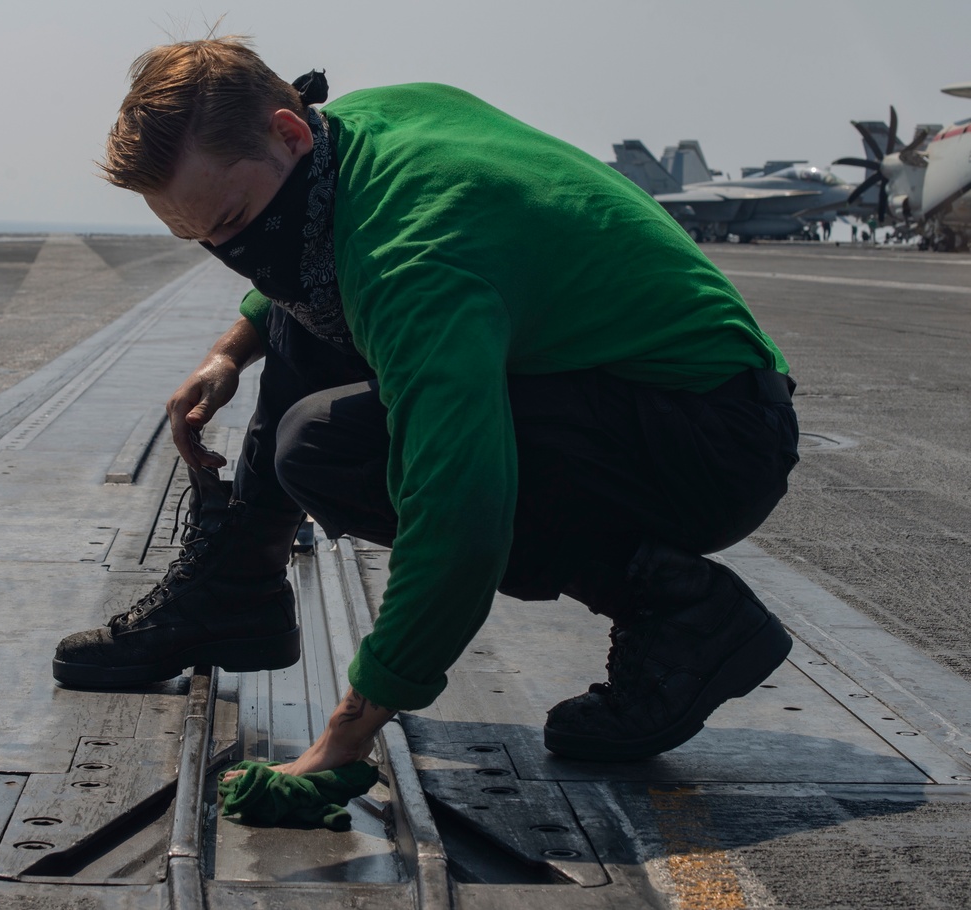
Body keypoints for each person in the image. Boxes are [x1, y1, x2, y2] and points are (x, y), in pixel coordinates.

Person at [53, 37, 800, 773]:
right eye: (195, 236)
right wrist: (230, 352)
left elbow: (457, 506)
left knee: (323, 447)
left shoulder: (414, 256)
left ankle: (679, 611)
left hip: (713, 444)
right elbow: (308, 271)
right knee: (303, 293)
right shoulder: (345, 134)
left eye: (229, 222)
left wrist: (350, 727)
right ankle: (237, 587)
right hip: (657, 394)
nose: (227, 249)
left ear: (287, 132)